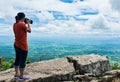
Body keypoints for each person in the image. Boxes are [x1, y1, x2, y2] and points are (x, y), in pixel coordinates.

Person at [13, 12, 31, 81]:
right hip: (23, 46)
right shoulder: (22, 24)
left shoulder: (15, 24)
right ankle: (21, 77)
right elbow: (29, 31)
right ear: (23, 18)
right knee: (22, 61)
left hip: (16, 44)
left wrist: (25, 23)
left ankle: (16, 74)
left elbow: (21, 30)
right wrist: (28, 23)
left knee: (17, 59)